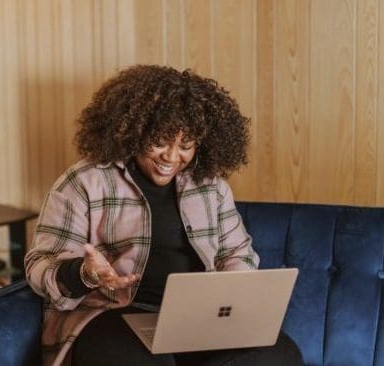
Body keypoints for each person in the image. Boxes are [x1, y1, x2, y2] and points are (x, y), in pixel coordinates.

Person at [24, 65, 303, 366]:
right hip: (111, 316)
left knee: (279, 355)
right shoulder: (84, 183)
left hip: (197, 319)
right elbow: (40, 266)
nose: (171, 157)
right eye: (159, 142)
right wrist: (84, 273)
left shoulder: (211, 187)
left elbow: (237, 253)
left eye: (185, 146)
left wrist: (233, 293)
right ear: (134, 132)